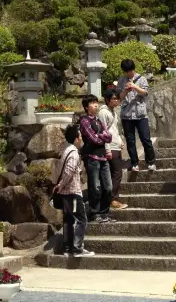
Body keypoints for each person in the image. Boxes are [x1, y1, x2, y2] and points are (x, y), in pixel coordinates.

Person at [53, 124, 94, 257]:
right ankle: (77, 248)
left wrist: (60, 185)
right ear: (77, 139)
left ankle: (67, 248)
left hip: (65, 194)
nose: (81, 138)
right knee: (81, 219)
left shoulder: (66, 151)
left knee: (68, 220)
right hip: (72, 193)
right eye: (80, 135)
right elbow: (69, 171)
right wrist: (62, 184)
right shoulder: (74, 153)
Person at [79, 94, 115, 223]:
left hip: (103, 157)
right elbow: (93, 139)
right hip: (91, 157)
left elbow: (109, 137)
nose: (96, 105)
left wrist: (100, 136)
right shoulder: (84, 120)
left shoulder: (98, 120)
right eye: (92, 103)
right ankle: (94, 213)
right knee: (94, 187)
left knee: (108, 187)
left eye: (96, 102)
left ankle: (105, 212)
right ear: (86, 107)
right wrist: (101, 137)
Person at [116, 59, 157, 172]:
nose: (128, 73)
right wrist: (125, 90)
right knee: (130, 141)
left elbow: (145, 93)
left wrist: (134, 87)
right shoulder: (121, 81)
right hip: (127, 115)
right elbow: (119, 97)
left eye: (129, 71)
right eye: (126, 71)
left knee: (146, 138)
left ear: (133, 69)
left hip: (140, 115)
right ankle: (134, 163)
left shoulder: (142, 79)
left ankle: (151, 162)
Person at [99, 88, 128, 210]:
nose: (116, 101)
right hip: (110, 146)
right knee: (117, 173)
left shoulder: (113, 112)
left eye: (117, 98)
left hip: (115, 145)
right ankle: (112, 199)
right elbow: (103, 131)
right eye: (113, 99)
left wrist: (120, 141)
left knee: (115, 173)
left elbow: (115, 130)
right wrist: (107, 149)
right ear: (107, 100)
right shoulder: (103, 112)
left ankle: (111, 199)